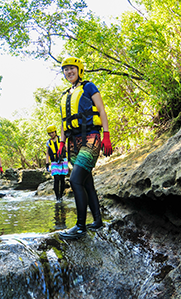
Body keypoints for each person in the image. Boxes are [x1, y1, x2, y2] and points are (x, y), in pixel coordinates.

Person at [57, 57, 113, 240]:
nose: (68, 72)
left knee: (75, 180)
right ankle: (97, 221)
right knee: (87, 182)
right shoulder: (65, 95)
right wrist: (62, 143)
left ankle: (80, 227)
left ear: (79, 69)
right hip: (73, 141)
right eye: (65, 69)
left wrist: (106, 135)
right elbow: (64, 123)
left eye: (72, 68)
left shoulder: (89, 87)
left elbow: (102, 110)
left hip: (91, 137)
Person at [45, 124, 68, 203]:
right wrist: (47, 164)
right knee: (56, 179)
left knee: (62, 179)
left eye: (52, 132)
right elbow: (47, 153)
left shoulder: (61, 139)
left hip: (62, 160)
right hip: (54, 162)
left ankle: (61, 196)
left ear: (55, 131)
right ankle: (57, 197)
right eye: (50, 133)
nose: (51, 134)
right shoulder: (48, 142)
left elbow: (67, 148)